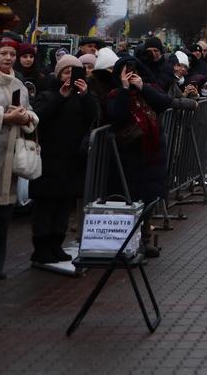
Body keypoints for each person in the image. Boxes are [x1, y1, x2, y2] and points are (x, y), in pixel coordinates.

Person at [29, 54, 97, 273]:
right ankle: (41, 248)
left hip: (71, 159)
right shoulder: (47, 94)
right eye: (66, 72)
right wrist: (60, 97)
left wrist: (85, 95)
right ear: (58, 74)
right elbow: (39, 118)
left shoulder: (82, 97)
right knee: (46, 205)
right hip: (49, 159)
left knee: (63, 205)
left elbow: (93, 116)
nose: (70, 76)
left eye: (75, 72)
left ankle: (56, 244)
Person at [107, 56, 177, 257]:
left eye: (134, 71)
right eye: (126, 72)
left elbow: (164, 102)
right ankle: (130, 242)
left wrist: (143, 87)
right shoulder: (115, 94)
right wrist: (124, 88)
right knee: (131, 200)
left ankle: (145, 239)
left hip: (152, 155)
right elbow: (118, 116)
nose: (130, 76)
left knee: (149, 199)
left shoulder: (148, 89)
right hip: (129, 156)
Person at [0, 35, 38, 279]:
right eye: (3, 53)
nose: (8, 58)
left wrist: (26, 118)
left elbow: (31, 113)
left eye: (12, 54)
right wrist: (4, 117)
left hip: (9, 161)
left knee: (3, 217)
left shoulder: (19, 85)